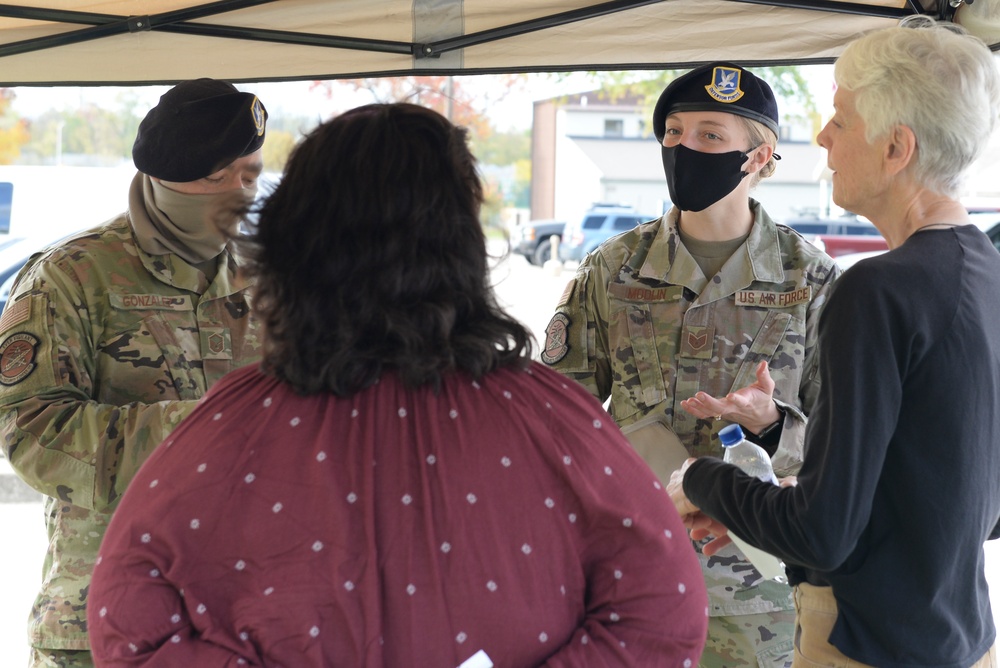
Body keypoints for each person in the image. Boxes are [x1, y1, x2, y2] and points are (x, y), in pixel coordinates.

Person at [84, 102, 709, 667]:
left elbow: (128, 627)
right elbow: (665, 612)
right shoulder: (553, 419)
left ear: (294, 240)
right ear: (459, 242)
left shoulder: (226, 427)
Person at [668, 16, 1000, 668]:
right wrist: (760, 487)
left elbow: (821, 535)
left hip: (864, 642)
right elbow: (962, 500)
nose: (822, 139)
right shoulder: (985, 273)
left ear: (896, 148)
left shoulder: (877, 290)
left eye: (840, 122)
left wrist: (701, 482)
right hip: (958, 636)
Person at [542, 62, 840, 667]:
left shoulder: (808, 276)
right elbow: (555, 416)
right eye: (673, 132)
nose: (683, 147)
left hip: (760, 592)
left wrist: (772, 426)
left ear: (759, 156)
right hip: (630, 578)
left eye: (710, 135)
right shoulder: (614, 269)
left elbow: (848, 441)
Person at [0, 78, 267, 668]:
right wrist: (207, 433)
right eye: (218, 176)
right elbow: (32, 431)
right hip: (103, 619)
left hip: (247, 617)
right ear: (165, 173)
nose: (240, 192)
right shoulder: (72, 276)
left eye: (250, 174)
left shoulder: (273, 278)